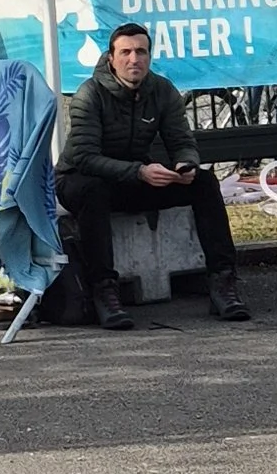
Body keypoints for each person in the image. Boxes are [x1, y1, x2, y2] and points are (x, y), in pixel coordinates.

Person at [58, 20, 250, 327]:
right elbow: (84, 157)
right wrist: (140, 171)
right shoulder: (89, 94)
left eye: (141, 52)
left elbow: (182, 142)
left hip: (136, 176)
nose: (134, 59)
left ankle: (223, 283)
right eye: (126, 52)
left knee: (204, 182)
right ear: (111, 58)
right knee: (93, 191)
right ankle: (104, 292)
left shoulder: (162, 90)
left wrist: (184, 166)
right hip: (79, 179)